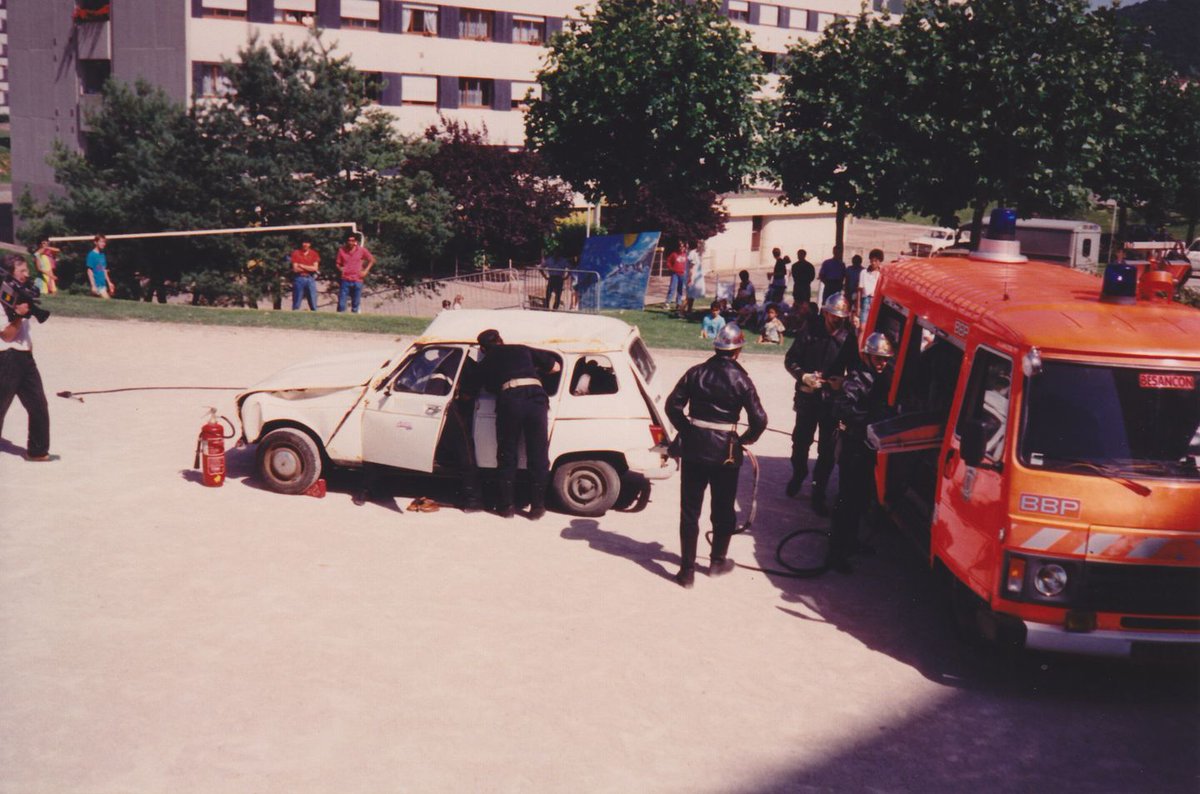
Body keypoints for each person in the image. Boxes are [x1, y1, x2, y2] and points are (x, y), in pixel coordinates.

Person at [665, 323, 767, 588]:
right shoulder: (742, 379)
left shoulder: (695, 372)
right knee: (723, 511)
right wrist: (743, 441)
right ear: (738, 350)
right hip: (726, 454)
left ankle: (686, 572)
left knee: (690, 511)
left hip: (694, 450)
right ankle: (717, 563)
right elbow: (760, 419)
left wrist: (687, 430)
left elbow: (671, 406)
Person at [783, 292, 858, 514]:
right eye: (834, 315)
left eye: (841, 316)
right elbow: (790, 360)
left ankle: (819, 491)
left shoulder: (848, 339)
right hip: (808, 396)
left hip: (831, 401)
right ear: (825, 313)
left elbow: (855, 371)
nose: (838, 319)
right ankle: (799, 474)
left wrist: (843, 382)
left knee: (827, 450)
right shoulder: (809, 333)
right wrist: (803, 376)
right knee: (800, 442)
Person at [829, 332, 896, 574]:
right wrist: (868, 420)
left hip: (868, 447)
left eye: (885, 359)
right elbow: (841, 408)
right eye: (877, 358)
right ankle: (836, 553)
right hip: (852, 447)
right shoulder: (856, 379)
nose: (882, 363)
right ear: (866, 356)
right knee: (846, 500)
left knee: (861, 497)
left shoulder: (882, 376)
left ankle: (852, 541)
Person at [476, 329, 560, 519]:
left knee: (507, 454)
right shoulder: (522, 349)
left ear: (483, 348)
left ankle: (506, 508)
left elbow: (484, 387)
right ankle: (537, 508)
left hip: (511, 400)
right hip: (537, 400)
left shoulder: (486, 361)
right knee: (538, 454)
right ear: (502, 340)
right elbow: (556, 367)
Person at [0, 256, 52, 461]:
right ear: (10, 274)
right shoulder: (3, 298)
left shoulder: (19, 294)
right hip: (7, 357)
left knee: (38, 405)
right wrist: (19, 315)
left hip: (25, 357)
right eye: (22, 270)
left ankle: (37, 451)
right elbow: (7, 336)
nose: (27, 274)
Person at [335, 233, 375, 313]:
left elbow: (372, 260)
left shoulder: (361, 250)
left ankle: (354, 316)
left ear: (355, 241)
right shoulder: (341, 250)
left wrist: (366, 271)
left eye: (352, 240)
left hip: (357, 279)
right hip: (345, 279)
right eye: (349, 240)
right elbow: (337, 263)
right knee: (342, 303)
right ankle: (340, 317)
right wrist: (340, 269)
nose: (350, 242)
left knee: (356, 302)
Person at [290, 237, 320, 311]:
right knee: (297, 300)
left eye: (307, 243)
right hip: (299, 278)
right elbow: (295, 269)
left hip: (310, 278)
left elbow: (315, 268)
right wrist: (309, 268)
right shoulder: (296, 253)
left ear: (310, 244)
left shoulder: (314, 254)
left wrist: (302, 265)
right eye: (304, 242)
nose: (305, 245)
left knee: (313, 300)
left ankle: (315, 315)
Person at [856, 249, 883, 330]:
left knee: (874, 327)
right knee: (862, 328)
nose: (873, 263)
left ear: (880, 261)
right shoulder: (864, 272)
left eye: (876, 261)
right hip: (866, 300)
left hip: (877, 301)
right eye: (872, 260)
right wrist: (858, 307)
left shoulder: (882, 274)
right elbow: (859, 291)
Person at [683, 241, 706, 317]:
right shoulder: (692, 254)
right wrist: (690, 278)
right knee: (689, 296)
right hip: (692, 277)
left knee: (691, 296)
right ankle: (682, 310)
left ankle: (688, 310)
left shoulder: (696, 254)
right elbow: (691, 267)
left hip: (695, 277)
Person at [86, 234, 113, 299]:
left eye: (104, 242)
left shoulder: (102, 255)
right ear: (95, 242)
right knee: (108, 302)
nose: (103, 244)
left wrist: (109, 283)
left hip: (103, 284)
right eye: (101, 242)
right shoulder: (91, 255)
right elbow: (89, 271)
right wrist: (93, 285)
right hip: (97, 285)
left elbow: (104, 270)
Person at [664, 241, 687, 312]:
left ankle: (678, 303)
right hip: (675, 274)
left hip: (683, 274)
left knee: (680, 290)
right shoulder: (674, 254)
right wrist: (671, 269)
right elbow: (668, 262)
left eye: (683, 247)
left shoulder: (686, 255)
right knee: (672, 288)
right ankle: (667, 303)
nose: (681, 248)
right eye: (680, 246)